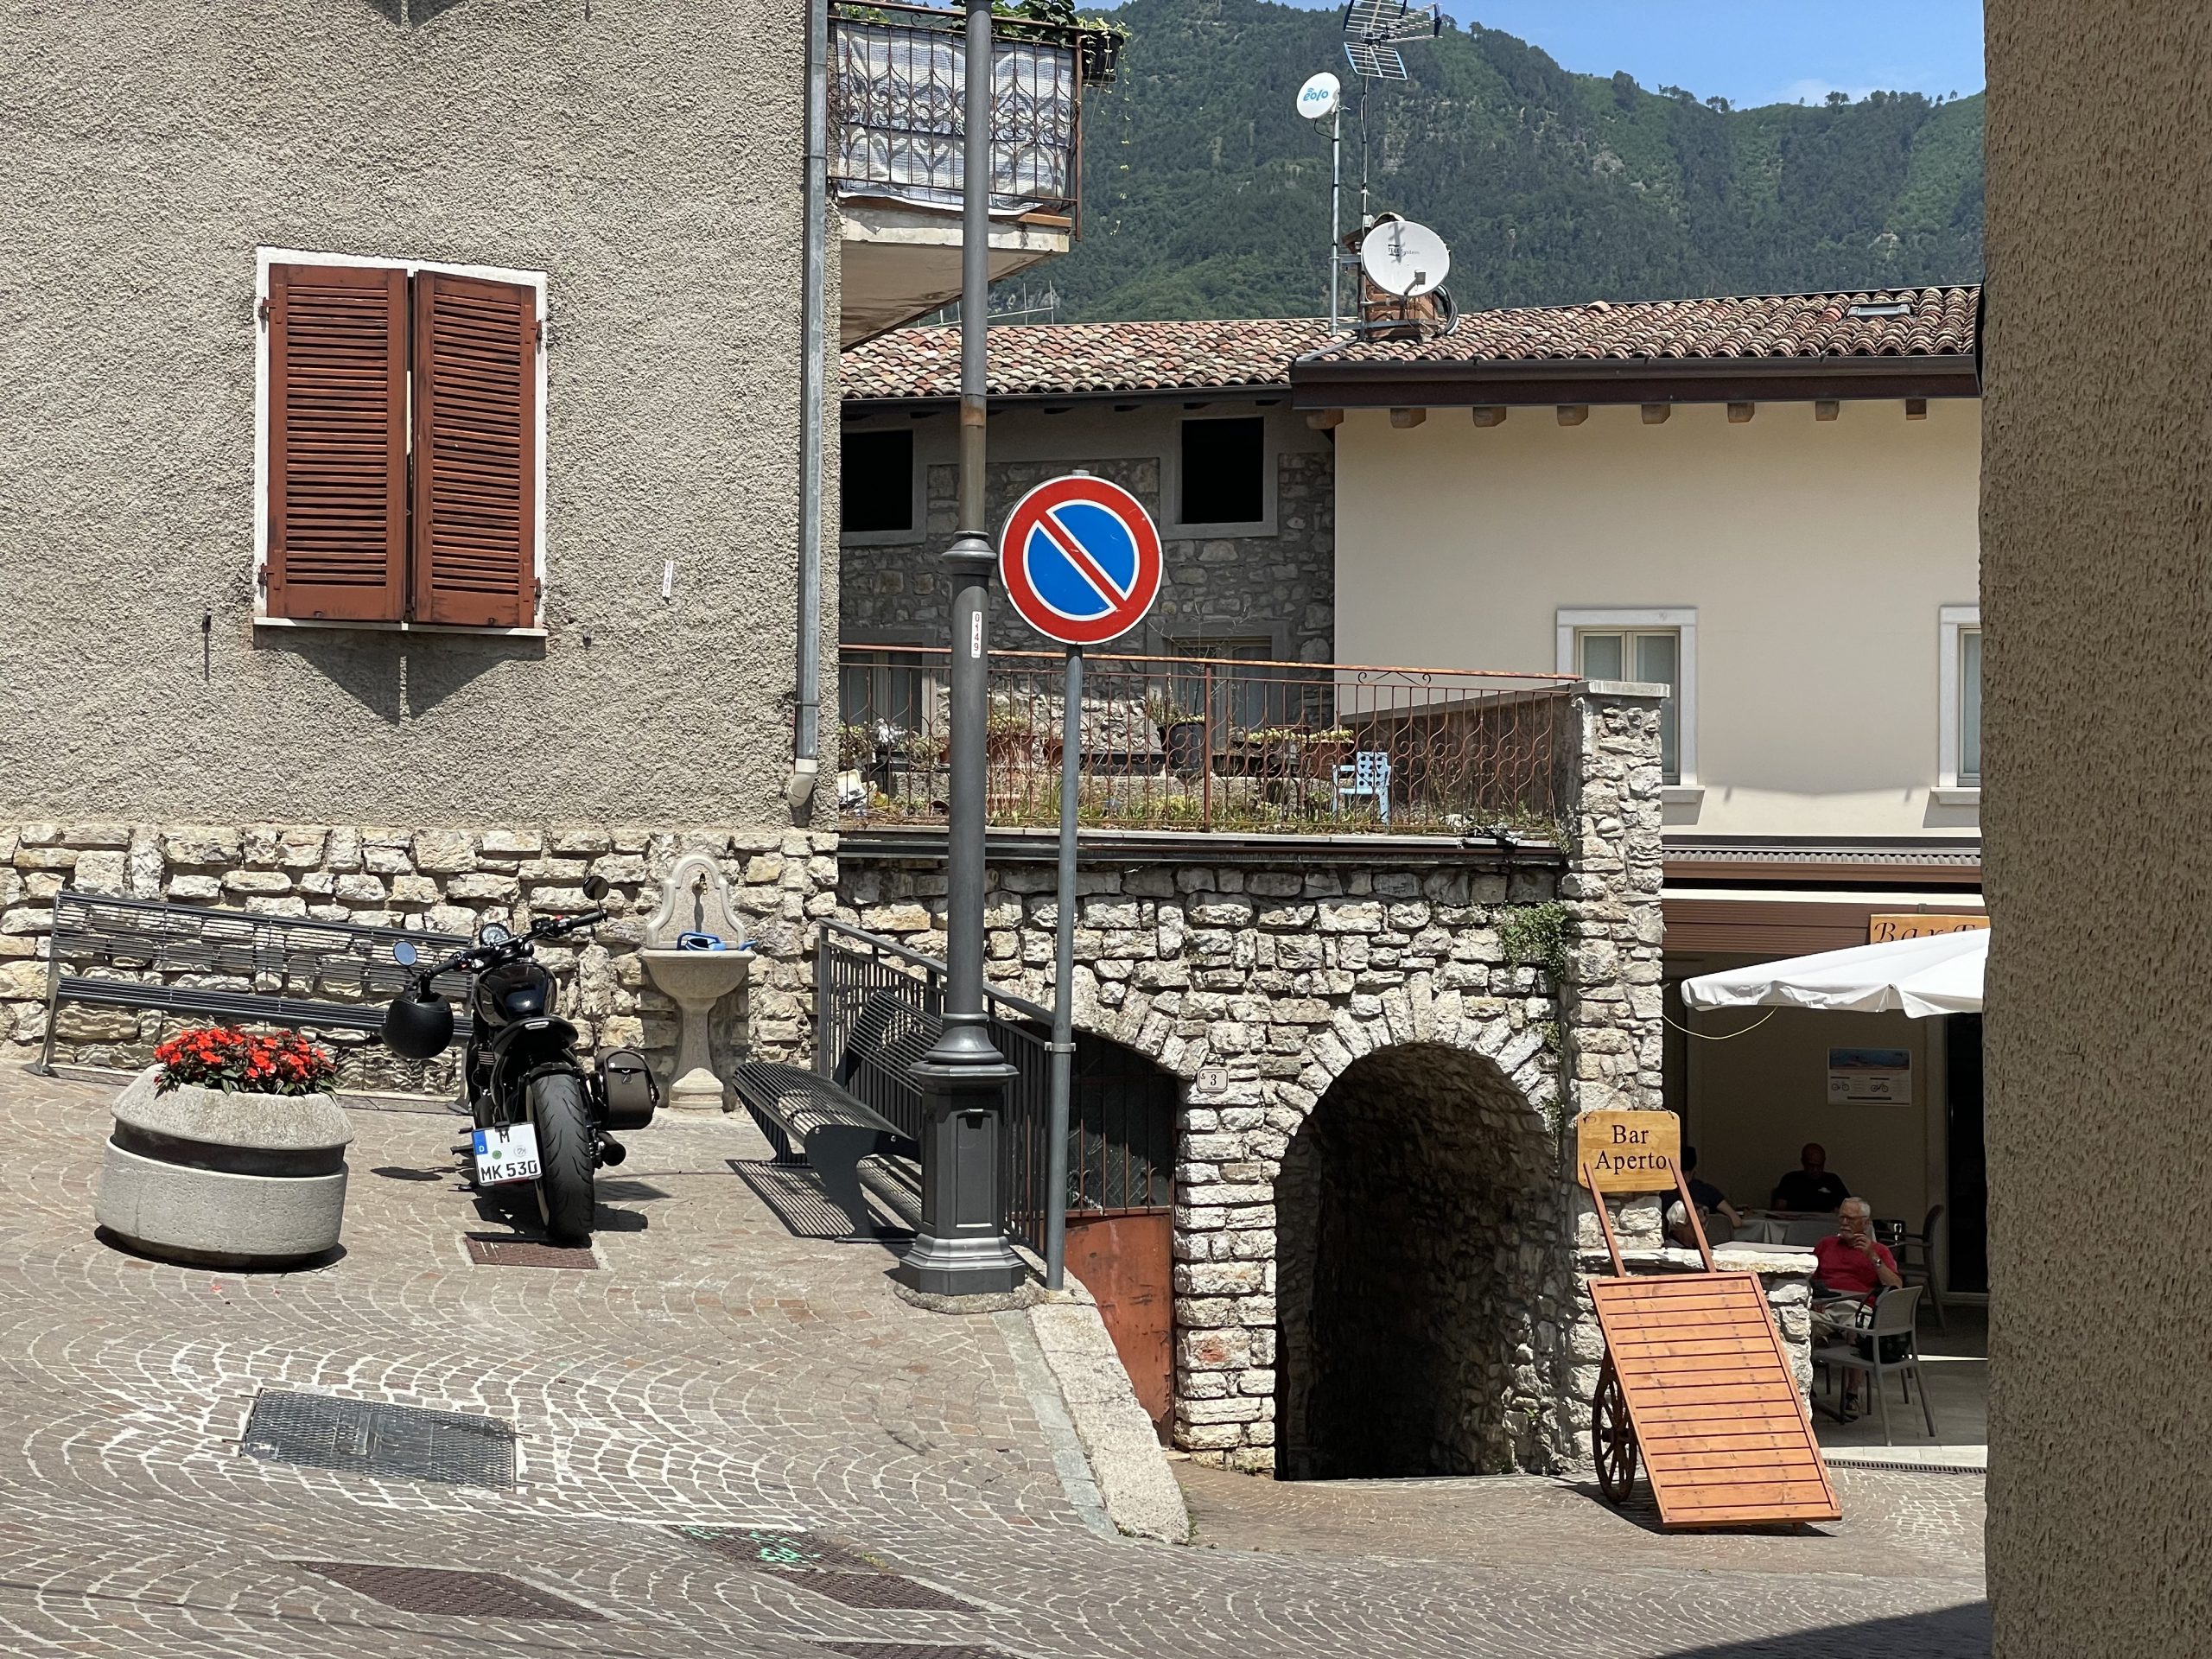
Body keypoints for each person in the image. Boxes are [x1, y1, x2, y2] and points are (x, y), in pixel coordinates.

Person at [1810, 1197, 1904, 1419]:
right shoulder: (1826, 1244)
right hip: (1826, 1306)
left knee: (1858, 1331)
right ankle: (1805, 1389)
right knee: (1796, 1326)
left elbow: (1896, 1286)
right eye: (1842, 1217)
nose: (1844, 1223)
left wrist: (1873, 1258)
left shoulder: (1879, 1250)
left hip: (1858, 1308)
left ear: (1865, 1222)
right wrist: (1814, 1298)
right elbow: (1809, 1278)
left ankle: (1852, 1393)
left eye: (1851, 1219)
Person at [1665, 1146, 1741, 1247]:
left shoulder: (1662, 1193)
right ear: (1694, 1171)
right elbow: (1736, 1221)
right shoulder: (1707, 1191)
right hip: (1708, 1248)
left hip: (1671, 1247)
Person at [1770, 1142, 1851, 1212]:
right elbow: (1779, 1208)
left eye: (1819, 1166)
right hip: (1796, 1223)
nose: (1815, 1170)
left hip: (1824, 1223)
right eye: (1811, 1165)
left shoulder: (1832, 1180)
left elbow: (1850, 1208)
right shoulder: (1790, 1179)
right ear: (1803, 1162)